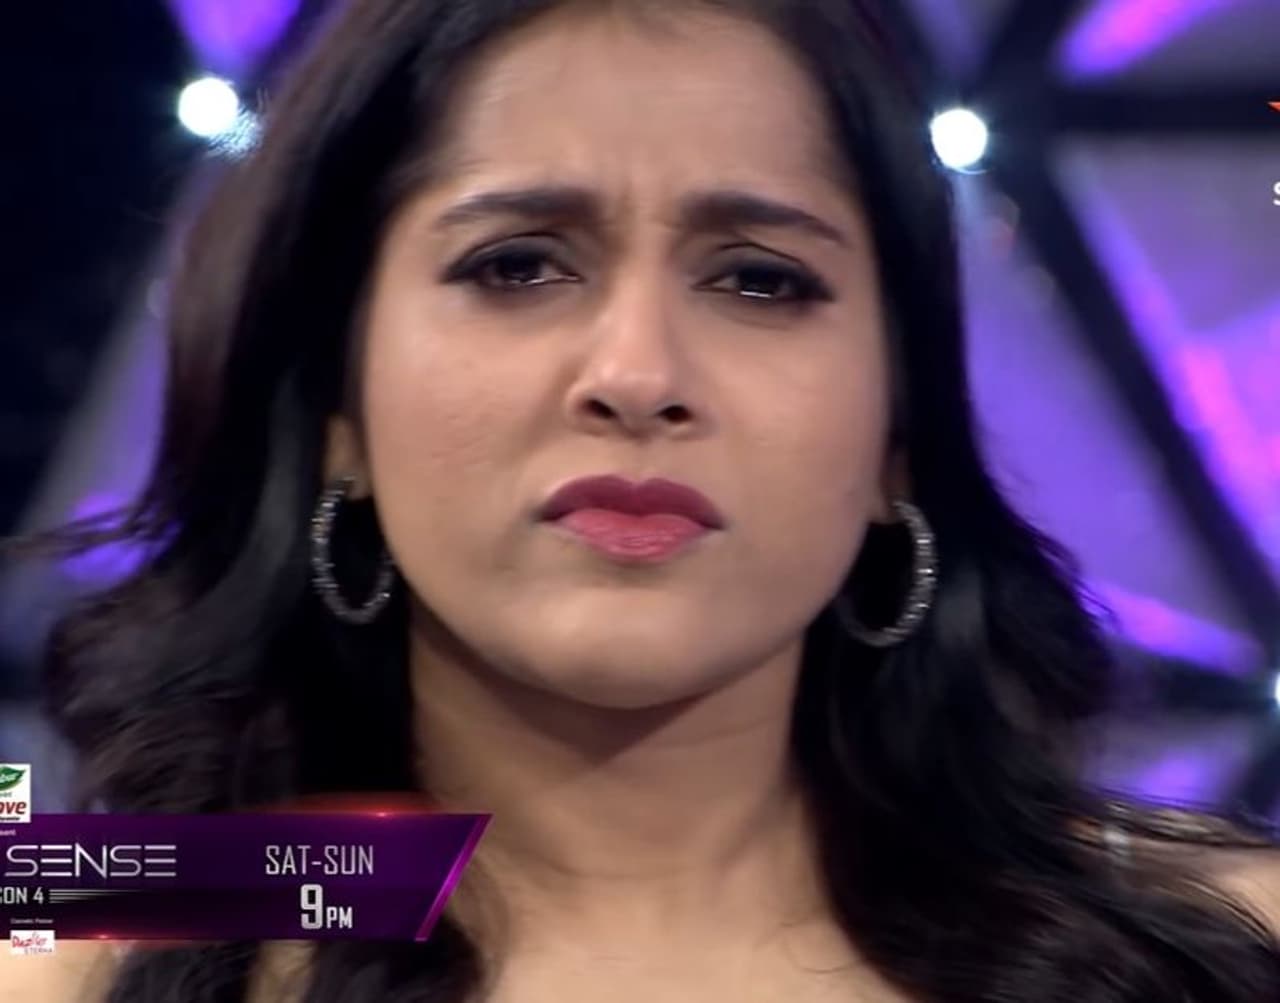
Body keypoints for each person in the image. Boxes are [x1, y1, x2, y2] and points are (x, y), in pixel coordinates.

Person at [5, 0, 1280, 999]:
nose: (636, 374)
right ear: (338, 411)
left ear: (897, 434)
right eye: (516, 265)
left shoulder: (1204, 943)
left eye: (759, 280)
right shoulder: (95, 945)